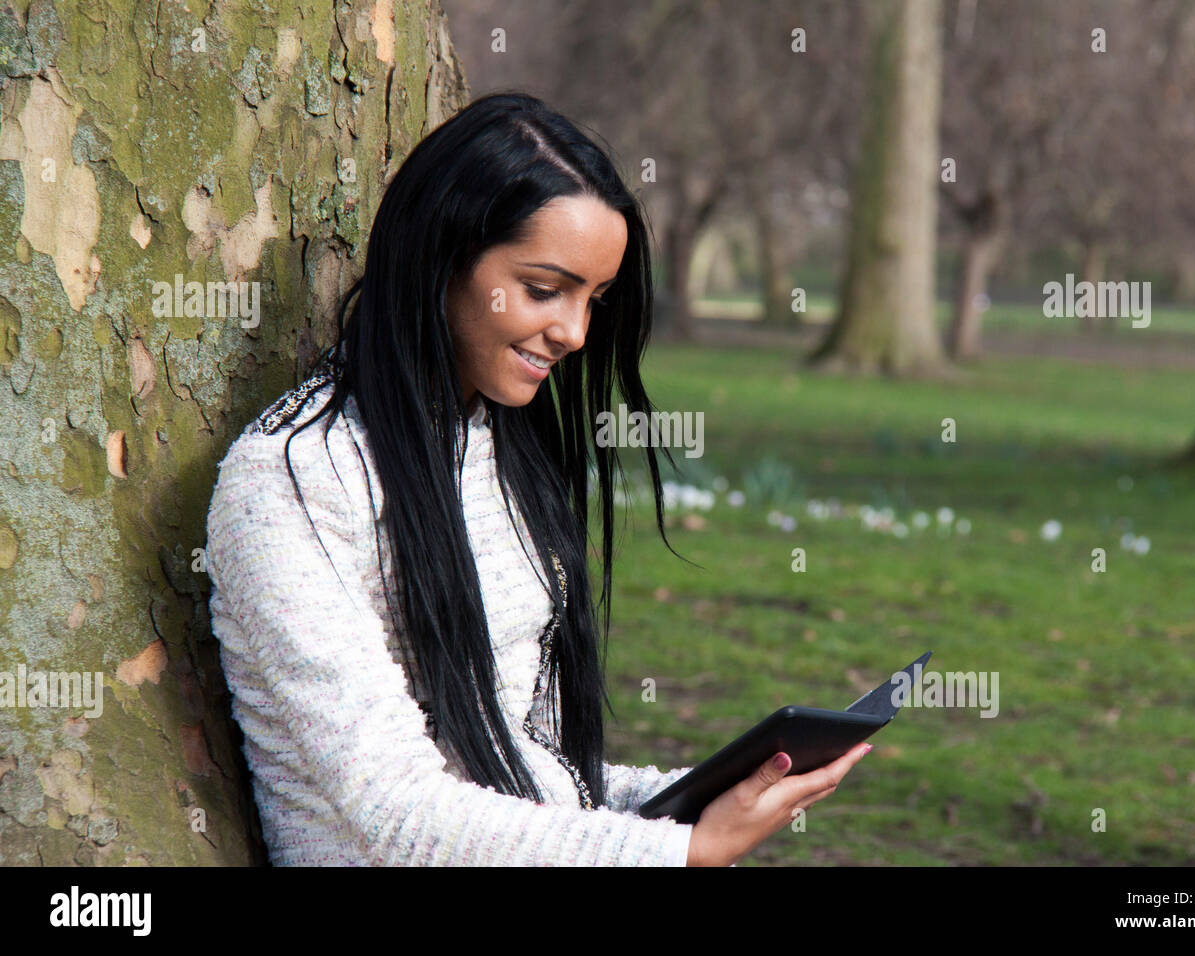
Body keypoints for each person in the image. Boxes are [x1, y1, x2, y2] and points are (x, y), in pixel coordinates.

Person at [204, 91, 872, 867]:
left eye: (595, 298)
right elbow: (395, 811)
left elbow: (526, 768)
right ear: (442, 255)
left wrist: (708, 795)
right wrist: (675, 853)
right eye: (545, 289)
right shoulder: (289, 481)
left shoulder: (501, 449)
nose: (576, 332)